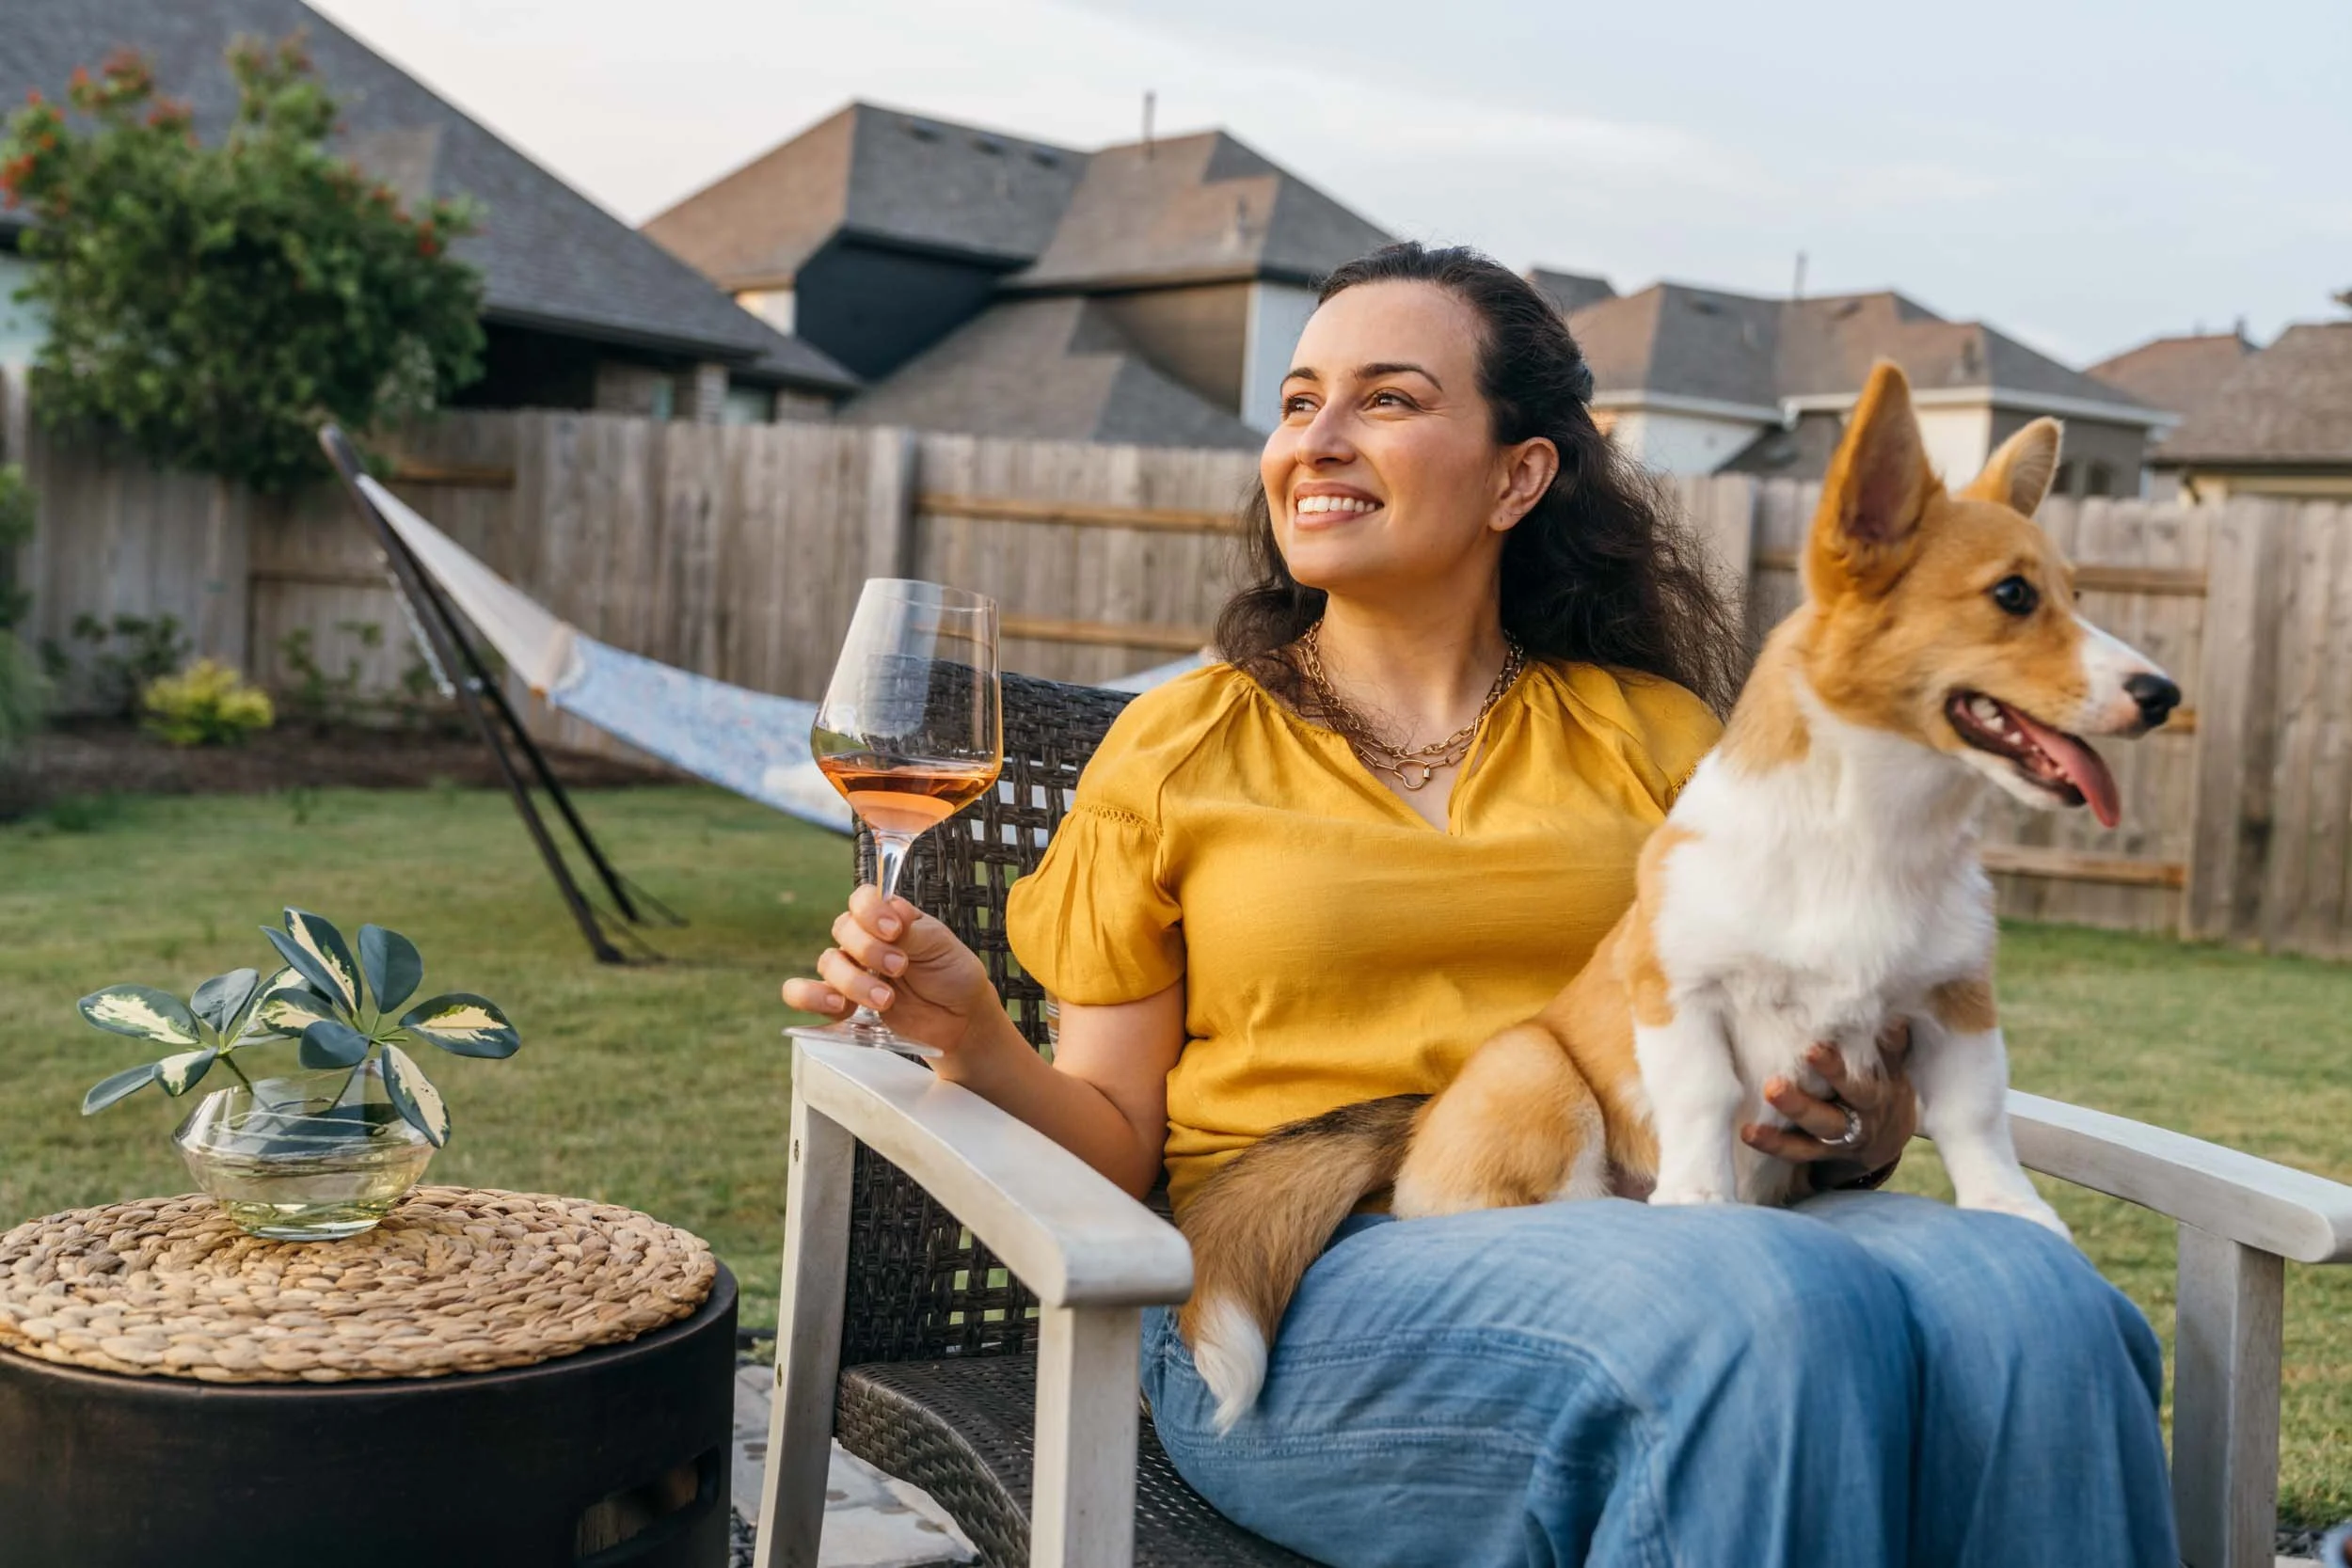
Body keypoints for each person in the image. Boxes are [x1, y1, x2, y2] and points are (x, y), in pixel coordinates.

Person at [782, 243, 2175, 1568]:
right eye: (1297, 402)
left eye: (1387, 399)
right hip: (1322, 1277)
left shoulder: (1662, 734)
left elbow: (1844, 1021)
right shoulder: (1180, 745)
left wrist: (1866, 1122)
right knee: (1762, 1306)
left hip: (1691, 1207)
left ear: (1520, 477)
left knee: (2038, 1306)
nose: (1318, 438)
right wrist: (973, 1038)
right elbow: (1111, 1135)